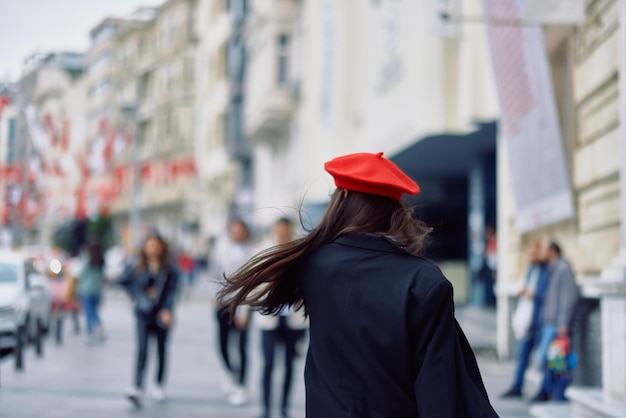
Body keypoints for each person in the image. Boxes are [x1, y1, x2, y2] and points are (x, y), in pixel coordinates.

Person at [218, 152, 499, 417]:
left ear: (344, 199)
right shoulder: (424, 280)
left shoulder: (311, 264)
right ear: (395, 209)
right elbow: (440, 386)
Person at [119, 230, 179, 408]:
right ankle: (137, 386)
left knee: (161, 350)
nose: (152, 249)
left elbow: (173, 292)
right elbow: (124, 281)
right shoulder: (137, 266)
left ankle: (159, 384)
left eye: (156, 245)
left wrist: (168, 310)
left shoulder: (169, 268)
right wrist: (139, 295)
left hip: (162, 314)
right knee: (142, 350)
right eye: (149, 245)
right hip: (143, 314)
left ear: (162, 247)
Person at [255, 218, 308, 418]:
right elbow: (255, 284)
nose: (282, 232)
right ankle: (266, 409)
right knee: (268, 364)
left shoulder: (300, 249)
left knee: (288, 366)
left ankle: (284, 407)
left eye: (285, 229)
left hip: (294, 320)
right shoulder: (263, 249)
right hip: (269, 319)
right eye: (278, 229)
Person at [210, 218, 255, 406]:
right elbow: (212, 273)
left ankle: (241, 385)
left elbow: (253, 282)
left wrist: (244, 312)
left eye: (240, 230)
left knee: (242, 345)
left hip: (243, 304)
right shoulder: (220, 248)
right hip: (223, 303)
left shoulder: (252, 251)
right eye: (233, 230)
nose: (236, 233)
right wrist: (215, 297)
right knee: (222, 344)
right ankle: (231, 373)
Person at [531, 240, 579, 403]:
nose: (541, 252)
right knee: (551, 361)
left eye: (543, 249)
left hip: (557, 325)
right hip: (549, 323)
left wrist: (563, 323)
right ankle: (549, 392)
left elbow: (568, 297)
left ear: (552, 251)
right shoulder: (551, 269)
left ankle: (558, 394)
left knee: (556, 361)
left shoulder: (563, 269)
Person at [500, 240, 550, 398]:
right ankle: (517, 386)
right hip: (528, 320)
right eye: (529, 253)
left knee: (543, 357)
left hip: (541, 319)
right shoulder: (530, 269)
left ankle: (544, 389)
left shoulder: (547, 269)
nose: (531, 255)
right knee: (522, 354)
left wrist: (534, 294)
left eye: (534, 252)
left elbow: (548, 293)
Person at [77, 241, 107, 345]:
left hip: (86, 290)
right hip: (97, 290)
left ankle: (90, 333)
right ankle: (100, 328)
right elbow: (103, 277)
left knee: (89, 312)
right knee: (94, 311)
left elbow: (81, 274)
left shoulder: (88, 260)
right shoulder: (101, 260)